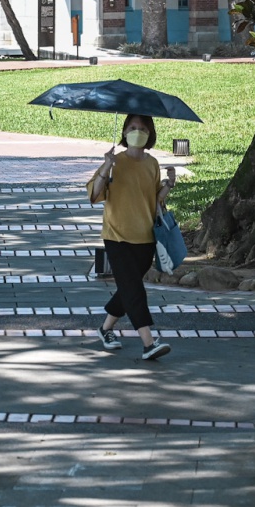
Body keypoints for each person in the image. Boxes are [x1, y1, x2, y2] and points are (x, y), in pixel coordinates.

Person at [91, 114, 174, 362]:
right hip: (117, 236)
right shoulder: (115, 162)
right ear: (125, 132)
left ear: (150, 133)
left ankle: (105, 329)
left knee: (128, 289)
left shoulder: (152, 164)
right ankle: (149, 342)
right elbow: (95, 195)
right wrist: (106, 166)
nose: (137, 131)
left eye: (142, 128)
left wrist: (169, 185)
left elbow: (155, 200)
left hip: (145, 238)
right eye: (132, 127)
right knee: (135, 291)